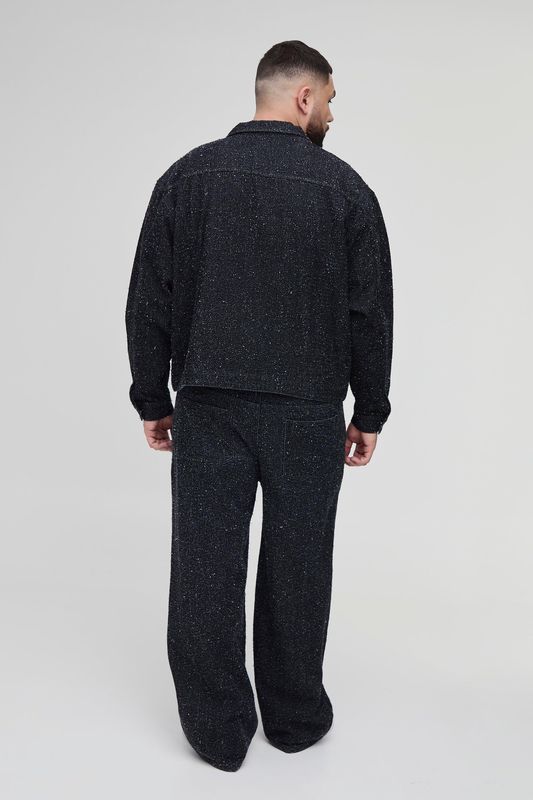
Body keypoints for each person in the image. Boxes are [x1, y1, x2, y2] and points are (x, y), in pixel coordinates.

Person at [125, 39, 393, 772]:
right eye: (329, 99)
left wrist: (152, 396)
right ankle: (295, 720)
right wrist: (369, 410)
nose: (331, 112)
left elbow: (148, 299)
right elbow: (369, 312)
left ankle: (216, 733)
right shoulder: (345, 190)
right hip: (308, 411)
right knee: (299, 566)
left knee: (204, 568)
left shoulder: (186, 178)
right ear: (304, 97)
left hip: (208, 406)